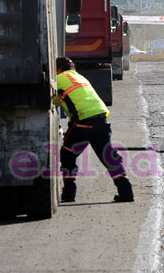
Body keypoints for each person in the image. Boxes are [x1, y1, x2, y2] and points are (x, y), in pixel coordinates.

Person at [53, 56, 134, 203]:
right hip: (101, 119)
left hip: (83, 121)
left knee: (67, 155)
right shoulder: (81, 78)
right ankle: (126, 192)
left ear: (57, 69)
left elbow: (53, 100)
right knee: (108, 156)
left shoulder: (58, 79)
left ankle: (69, 193)